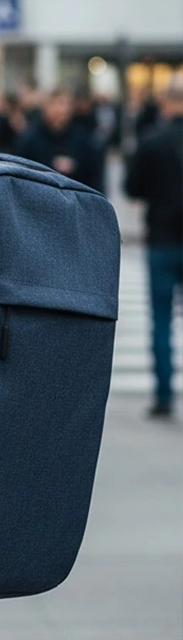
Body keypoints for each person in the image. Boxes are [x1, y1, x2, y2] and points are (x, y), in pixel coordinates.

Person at [124, 73, 183, 419]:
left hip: (162, 238)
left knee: (161, 320)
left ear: (165, 102)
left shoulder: (152, 141)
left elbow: (132, 187)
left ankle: (164, 394)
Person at [14, 87, 103, 190]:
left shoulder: (82, 138)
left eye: (64, 104)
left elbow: (93, 176)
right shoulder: (29, 139)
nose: (60, 110)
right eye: (55, 104)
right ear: (45, 107)